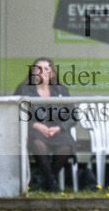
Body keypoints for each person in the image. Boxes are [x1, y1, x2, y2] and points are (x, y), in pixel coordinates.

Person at [14, 58, 78, 192]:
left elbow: (73, 115)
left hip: (57, 131)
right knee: (38, 144)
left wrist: (60, 127)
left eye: (47, 69)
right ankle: (52, 184)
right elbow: (16, 114)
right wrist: (35, 125)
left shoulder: (61, 89)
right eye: (38, 68)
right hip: (34, 131)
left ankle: (46, 181)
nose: (42, 72)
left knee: (66, 146)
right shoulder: (24, 90)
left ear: (52, 73)